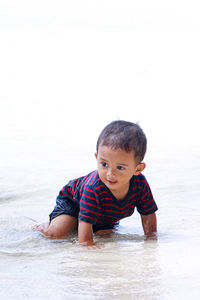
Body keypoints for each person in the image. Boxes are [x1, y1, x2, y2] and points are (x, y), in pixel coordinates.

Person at [33, 120, 158, 247]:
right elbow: (85, 230)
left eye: (120, 168)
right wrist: (88, 245)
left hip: (103, 216)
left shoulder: (140, 184)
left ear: (137, 169)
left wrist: (151, 237)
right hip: (73, 204)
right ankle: (40, 227)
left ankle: (90, 224)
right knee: (57, 233)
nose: (110, 174)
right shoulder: (93, 187)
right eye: (104, 164)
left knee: (106, 236)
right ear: (97, 157)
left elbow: (148, 213)